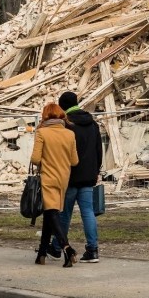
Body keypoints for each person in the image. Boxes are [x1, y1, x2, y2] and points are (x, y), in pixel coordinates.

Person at [46, 91, 103, 264]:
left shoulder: (66, 125)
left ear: (62, 106)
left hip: (69, 176)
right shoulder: (92, 124)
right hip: (88, 176)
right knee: (88, 212)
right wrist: (95, 171)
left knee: (64, 214)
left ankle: (57, 247)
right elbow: (99, 150)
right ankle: (92, 250)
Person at [31, 102, 80, 267]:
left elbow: (35, 159)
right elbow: (74, 161)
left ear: (45, 116)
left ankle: (67, 248)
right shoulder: (69, 134)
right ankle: (42, 254)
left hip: (48, 177)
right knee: (49, 214)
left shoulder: (42, 132)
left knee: (51, 213)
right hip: (63, 178)